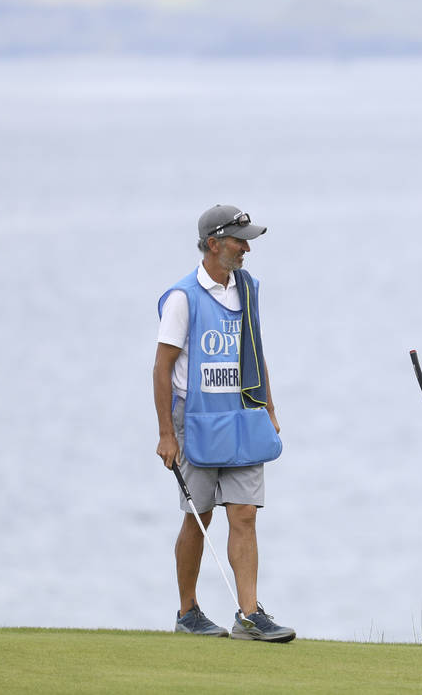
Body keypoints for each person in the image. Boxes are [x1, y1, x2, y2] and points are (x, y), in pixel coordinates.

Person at [153, 204, 295, 643]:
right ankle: (188, 611)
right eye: (239, 240)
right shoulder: (183, 298)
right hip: (194, 421)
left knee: (246, 514)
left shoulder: (247, 288)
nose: (246, 247)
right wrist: (164, 434)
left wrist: (269, 407)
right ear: (214, 244)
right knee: (200, 517)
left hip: (243, 417)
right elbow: (162, 369)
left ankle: (249, 615)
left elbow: (256, 348)